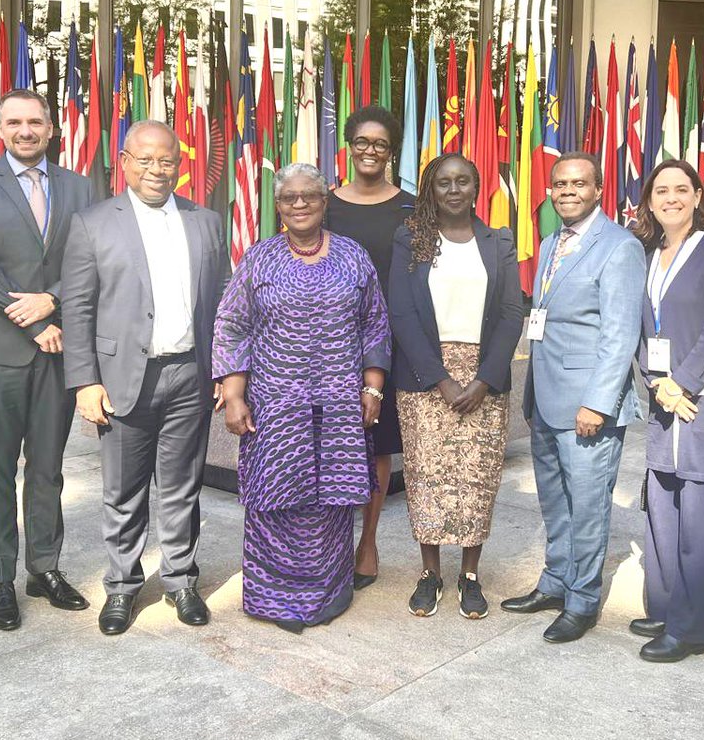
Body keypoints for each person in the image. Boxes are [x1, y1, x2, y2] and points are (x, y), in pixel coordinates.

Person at [62, 120, 229, 635]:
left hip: (190, 375)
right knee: (123, 491)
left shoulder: (206, 222)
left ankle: (180, 581)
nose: (158, 170)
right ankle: (122, 588)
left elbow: (222, 302)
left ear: (181, 165)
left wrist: (223, 368)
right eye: (146, 159)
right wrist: (85, 381)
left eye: (168, 160)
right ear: (125, 162)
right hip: (121, 380)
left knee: (181, 487)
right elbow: (78, 307)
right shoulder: (92, 223)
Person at [212, 162, 389, 632]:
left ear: (324, 201)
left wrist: (373, 385)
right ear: (278, 206)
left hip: (338, 403)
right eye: (289, 197)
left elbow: (374, 322)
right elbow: (233, 325)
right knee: (276, 497)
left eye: (309, 195)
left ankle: (327, 596)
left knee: (331, 500)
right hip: (275, 403)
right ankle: (275, 598)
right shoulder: (260, 258)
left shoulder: (353, 256)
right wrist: (233, 394)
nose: (299, 204)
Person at [0, 88, 94, 630]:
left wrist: (53, 299)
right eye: (15, 122)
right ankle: (0, 580)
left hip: (62, 347)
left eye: (35, 122)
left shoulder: (81, 187)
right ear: (0, 129)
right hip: (2, 352)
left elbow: (88, 259)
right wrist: (35, 320)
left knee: (49, 468)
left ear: (52, 128)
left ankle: (45, 568)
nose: (26, 131)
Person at [501, 152, 646, 642]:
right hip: (545, 398)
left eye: (578, 184)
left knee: (587, 505)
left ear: (598, 190)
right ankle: (556, 581)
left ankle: (583, 599)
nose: (567, 191)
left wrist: (599, 403)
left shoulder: (620, 247)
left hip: (588, 405)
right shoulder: (548, 245)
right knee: (555, 502)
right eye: (559, 183)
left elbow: (620, 334)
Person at [388, 153, 523, 620]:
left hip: (484, 375)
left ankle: (469, 574)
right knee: (427, 478)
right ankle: (430, 573)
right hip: (426, 377)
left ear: (476, 187)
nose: (453, 189)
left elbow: (511, 312)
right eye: (444, 182)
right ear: (431, 188)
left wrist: (484, 379)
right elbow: (401, 314)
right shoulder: (411, 239)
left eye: (463, 181)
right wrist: (441, 380)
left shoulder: (498, 240)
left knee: (475, 479)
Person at [630, 159, 704, 663]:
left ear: (699, 195)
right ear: (650, 199)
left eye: (682, 189)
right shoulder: (647, 253)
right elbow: (641, 330)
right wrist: (658, 384)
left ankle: (698, 626)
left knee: (702, 514)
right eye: (662, 190)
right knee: (663, 504)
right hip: (665, 402)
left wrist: (684, 382)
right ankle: (668, 607)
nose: (671, 198)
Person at [323, 104, 415, 590]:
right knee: (334, 445)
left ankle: (369, 541)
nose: (370, 150)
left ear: (391, 151)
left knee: (376, 443)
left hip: (390, 346)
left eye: (380, 144)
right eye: (362, 141)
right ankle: (332, 541)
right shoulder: (324, 204)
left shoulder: (411, 208)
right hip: (329, 344)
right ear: (350, 145)